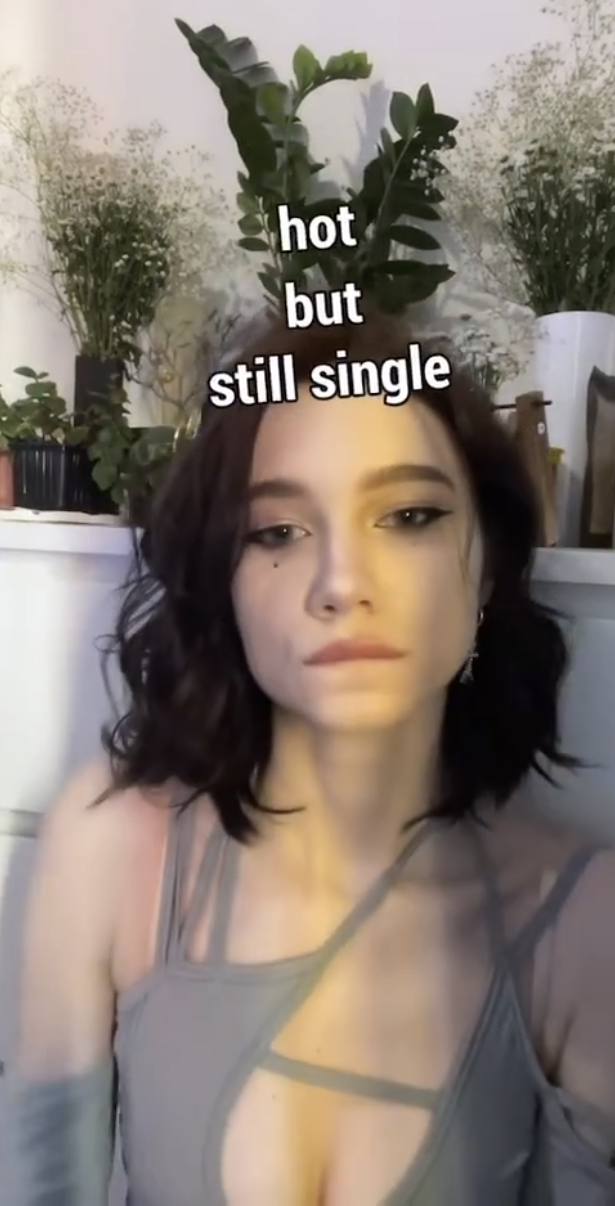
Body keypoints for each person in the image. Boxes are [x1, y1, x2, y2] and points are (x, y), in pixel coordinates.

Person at [7, 310, 615, 1205]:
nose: (339, 583)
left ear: (486, 567)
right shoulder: (110, 849)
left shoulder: (585, 925)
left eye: (408, 516)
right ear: (223, 578)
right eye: (276, 531)